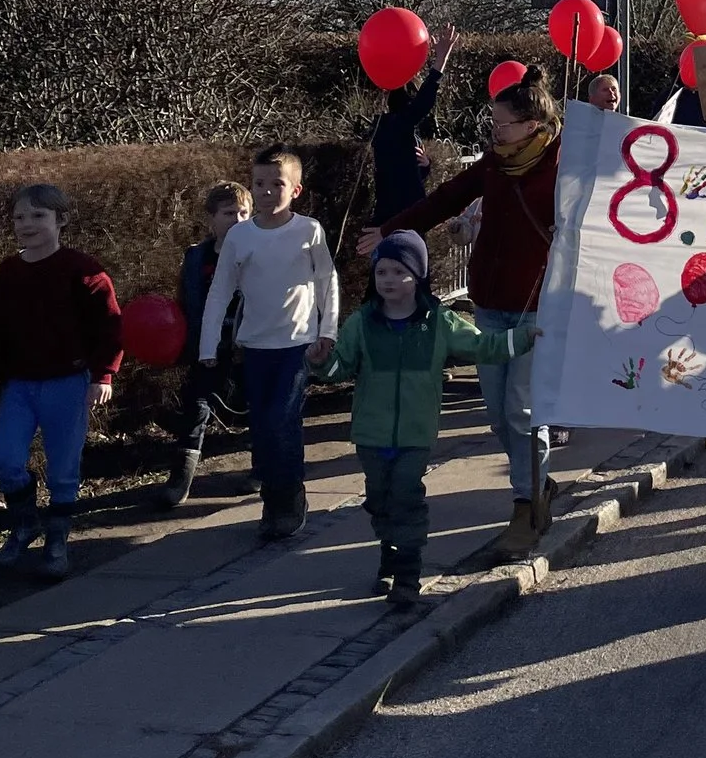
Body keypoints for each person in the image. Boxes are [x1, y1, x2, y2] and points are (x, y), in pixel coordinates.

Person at [366, 63, 561, 561]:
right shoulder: (495, 163)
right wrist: (392, 229)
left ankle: (526, 504)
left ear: (534, 127)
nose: (495, 134)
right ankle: (537, 479)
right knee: (497, 414)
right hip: (492, 307)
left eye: (503, 125)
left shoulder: (564, 165)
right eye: (492, 125)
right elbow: (446, 199)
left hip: (538, 308)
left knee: (520, 410)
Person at [311, 230, 536, 607]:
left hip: (415, 435)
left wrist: (524, 338)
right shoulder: (362, 323)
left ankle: (408, 576)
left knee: (407, 498)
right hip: (371, 434)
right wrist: (319, 361)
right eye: (382, 272)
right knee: (380, 500)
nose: (389, 280)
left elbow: (484, 346)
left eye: (399, 272)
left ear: (417, 276)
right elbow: (340, 367)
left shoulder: (439, 323)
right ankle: (390, 552)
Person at [0, 183, 123, 579]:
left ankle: (57, 540)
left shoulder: (83, 271)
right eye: (20, 217)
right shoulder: (6, 273)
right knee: (2, 459)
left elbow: (110, 326)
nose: (27, 224)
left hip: (68, 383)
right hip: (20, 385)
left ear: (61, 220)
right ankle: (25, 522)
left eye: (38, 216)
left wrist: (103, 374)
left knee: (62, 467)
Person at [199, 148, 339, 542]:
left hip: (297, 344)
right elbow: (221, 290)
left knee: (283, 421)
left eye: (277, 184)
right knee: (262, 426)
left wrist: (328, 331)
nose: (266, 192)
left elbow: (327, 281)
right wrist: (208, 346)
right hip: (255, 346)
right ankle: (273, 497)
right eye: (259, 183)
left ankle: (288, 499)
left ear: (295, 189)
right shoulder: (241, 236)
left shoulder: (308, 231)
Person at [161, 181, 250, 508]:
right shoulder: (197, 258)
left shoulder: (259, 254)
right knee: (196, 408)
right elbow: (186, 302)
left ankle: (263, 468)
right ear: (211, 219)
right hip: (208, 348)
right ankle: (181, 478)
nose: (238, 219)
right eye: (229, 213)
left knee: (255, 408)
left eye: (244, 212)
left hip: (248, 349)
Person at [369, 47, 444, 226]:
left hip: (402, 215)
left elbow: (406, 172)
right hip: (399, 218)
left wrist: (425, 166)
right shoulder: (398, 126)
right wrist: (441, 59)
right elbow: (424, 101)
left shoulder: (395, 129)